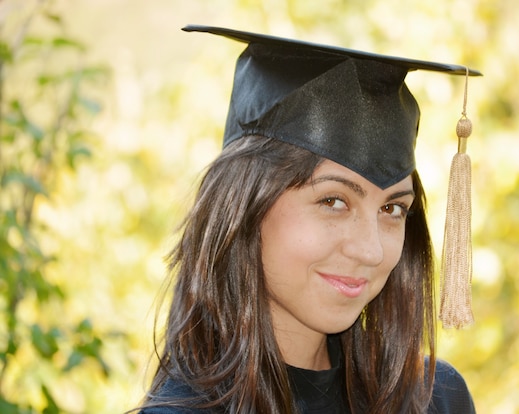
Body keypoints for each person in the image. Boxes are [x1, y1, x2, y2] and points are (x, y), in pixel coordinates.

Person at [135, 26, 479, 414]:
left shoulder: (435, 399)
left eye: (392, 209)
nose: (370, 250)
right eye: (333, 201)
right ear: (244, 207)